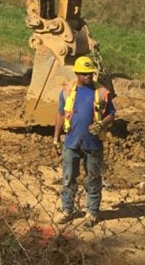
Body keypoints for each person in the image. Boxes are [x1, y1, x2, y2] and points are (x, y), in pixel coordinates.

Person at [52, 55, 116, 227]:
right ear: (77, 74)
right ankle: (67, 210)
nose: (89, 77)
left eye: (90, 73)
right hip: (72, 142)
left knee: (93, 178)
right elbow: (60, 114)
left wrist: (102, 123)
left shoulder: (101, 92)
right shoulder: (67, 91)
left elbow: (112, 113)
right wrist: (56, 137)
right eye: (85, 74)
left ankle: (91, 213)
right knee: (68, 178)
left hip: (93, 143)